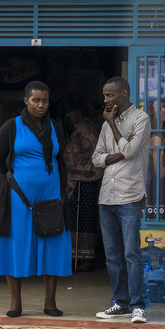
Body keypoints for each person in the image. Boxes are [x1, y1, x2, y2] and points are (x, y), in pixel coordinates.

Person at [0, 81, 71, 317]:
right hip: (19, 198)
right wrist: (19, 178)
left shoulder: (55, 127)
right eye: (36, 100)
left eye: (45, 100)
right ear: (26, 100)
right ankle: (15, 303)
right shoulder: (11, 127)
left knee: (52, 245)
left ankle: (50, 302)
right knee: (15, 244)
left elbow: (60, 158)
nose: (41, 105)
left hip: (51, 196)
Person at [93, 77, 152, 324]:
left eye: (111, 95)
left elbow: (130, 151)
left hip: (130, 196)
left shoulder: (141, 119)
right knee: (113, 256)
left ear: (124, 93)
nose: (106, 100)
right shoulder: (106, 125)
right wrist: (117, 154)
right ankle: (120, 303)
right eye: (105, 95)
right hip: (106, 197)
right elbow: (96, 158)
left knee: (131, 254)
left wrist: (112, 125)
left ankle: (137, 305)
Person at [61, 103, 104, 272]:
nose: (70, 117)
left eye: (71, 113)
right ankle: (75, 256)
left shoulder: (85, 129)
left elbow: (88, 151)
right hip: (80, 178)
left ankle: (85, 257)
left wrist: (74, 162)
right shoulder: (80, 128)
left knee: (83, 219)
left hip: (84, 179)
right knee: (76, 219)